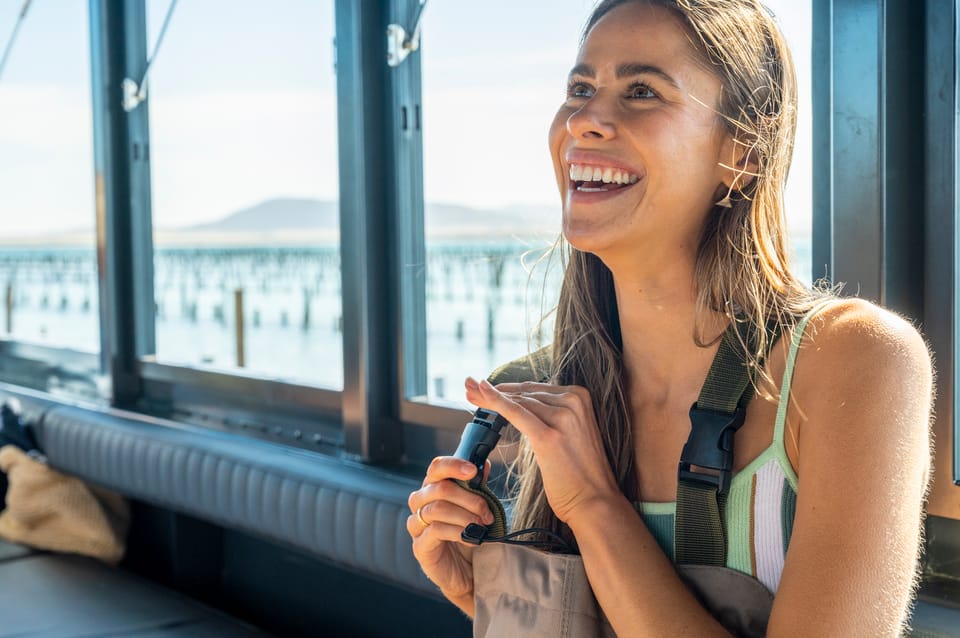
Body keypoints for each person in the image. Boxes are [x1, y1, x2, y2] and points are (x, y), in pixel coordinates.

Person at [406, 0, 933, 635]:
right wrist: (488, 594)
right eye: (580, 88)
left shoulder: (855, 361)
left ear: (741, 152)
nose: (587, 120)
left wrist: (595, 506)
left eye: (641, 91)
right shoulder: (544, 398)